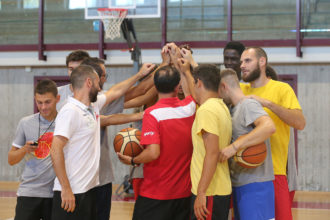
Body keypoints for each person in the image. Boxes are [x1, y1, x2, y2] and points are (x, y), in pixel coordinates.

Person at [50, 63, 153, 219]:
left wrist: (139, 75)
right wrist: (66, 189)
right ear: (89, 82)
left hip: (89, 189)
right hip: (72, 192)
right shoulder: (70, 111)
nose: (99, 88)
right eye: (98, 83)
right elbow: (55, 150)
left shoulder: (91, 106)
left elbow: (115, 92)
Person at [117, 65, 196, 220]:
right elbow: (192, 92)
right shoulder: (190, 107)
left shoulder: (152, 114)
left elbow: (153, 153)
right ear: (177, 86)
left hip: (156, 193)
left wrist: (133, 160)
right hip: (184, 193)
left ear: (155, 86)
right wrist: (184, 68)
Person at [240, 47, 306, 220]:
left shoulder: (281, 89)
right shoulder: (240, 90)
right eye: (241, 62)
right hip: (243, 173)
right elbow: (206, 84)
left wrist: (267, 103)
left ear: (262, 62)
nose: (242, 66)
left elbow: (300, 122)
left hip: (273, 172)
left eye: (247, 61)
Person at [218, 68, 276, 220]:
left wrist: (234, 147)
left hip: (256, 186)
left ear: (224, 87)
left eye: (217, 91)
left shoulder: (248, 105)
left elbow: (269, 127)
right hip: (241, 184)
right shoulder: (232, 109)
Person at [177, 60, 232, 220]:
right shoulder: (219, 106)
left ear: (199, 83)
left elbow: (212, 153)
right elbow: (191, 95)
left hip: (210, 191)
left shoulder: (207, 111)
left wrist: (201, 192)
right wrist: (183, 70)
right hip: (215, 188)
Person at [8, 79, 59, 220]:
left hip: (56, 193)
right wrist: (25, 149)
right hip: (28, 193)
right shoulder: (25, 123)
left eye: (47, 102)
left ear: (57, 99)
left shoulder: (65, 122)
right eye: (39, 102)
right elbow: (11, 159)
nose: (43, 107)